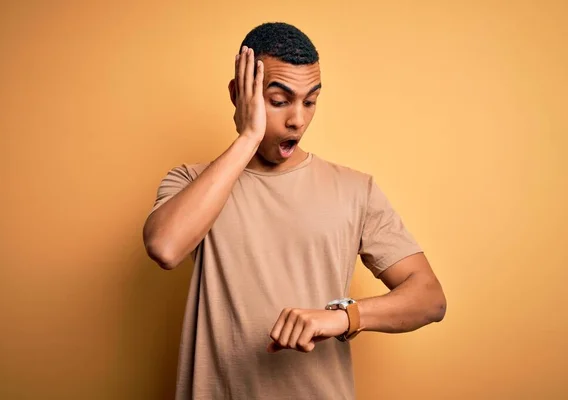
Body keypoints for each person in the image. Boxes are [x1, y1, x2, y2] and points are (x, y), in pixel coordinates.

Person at [143, 22, 446, 400]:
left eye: (310, 100)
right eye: (279, 100)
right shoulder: (192, 182)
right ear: (240, 94)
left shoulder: (355, 189)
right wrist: (248, 137)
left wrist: (341, 317)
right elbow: (165, 247)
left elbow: (429, 298)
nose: (297, 120)